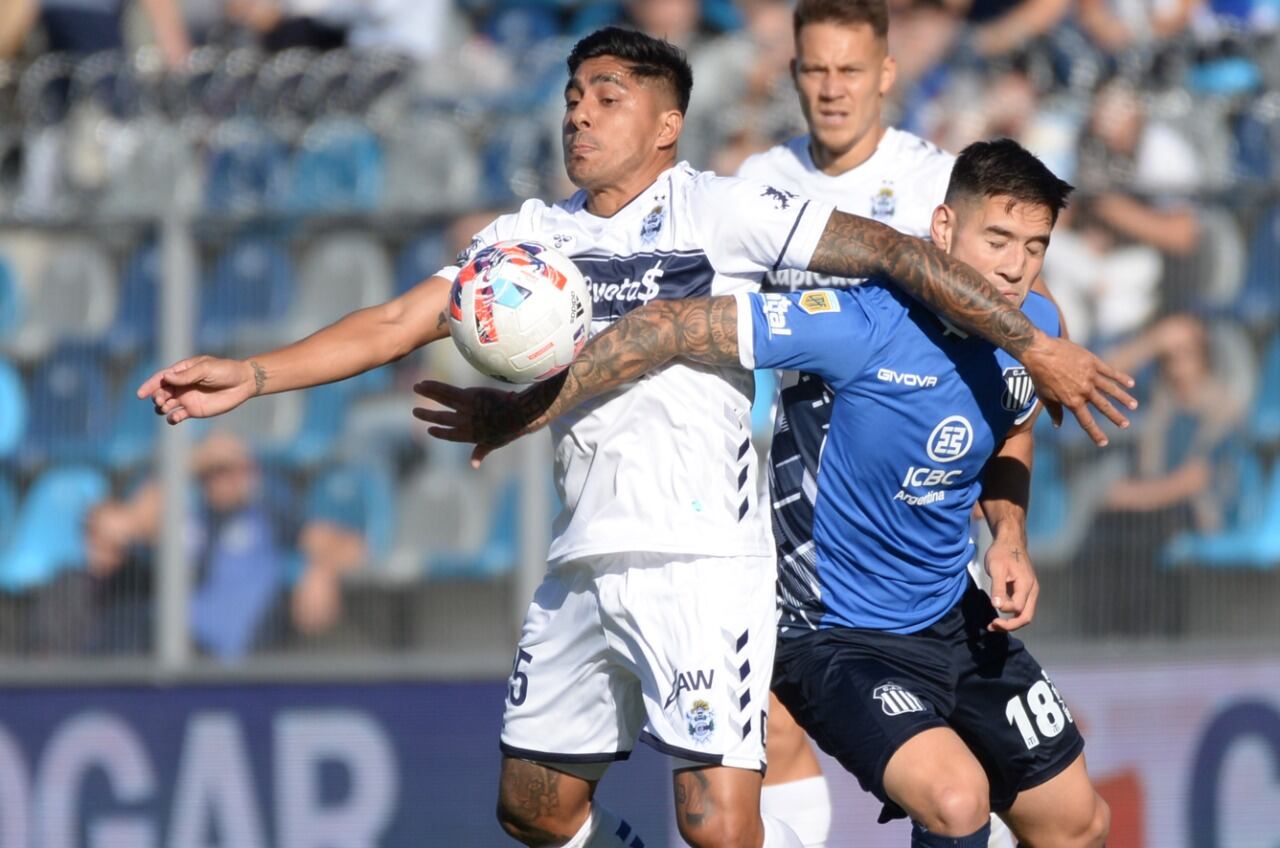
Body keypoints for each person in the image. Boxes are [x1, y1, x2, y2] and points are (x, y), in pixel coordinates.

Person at [142, 26, 1133, 847]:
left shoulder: (721, 210)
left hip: (705, 554)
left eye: (606, 96)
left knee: (715, 819)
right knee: (530, 807)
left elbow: (886, 251)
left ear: (666, 124)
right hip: (582, 555)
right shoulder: (527, 241)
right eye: (573, 93)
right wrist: (257, 372)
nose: (578, 110)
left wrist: (1026, 343)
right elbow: (399, 320)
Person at [417, 139, 1115, 847]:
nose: (1016, 265)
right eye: (997, 238)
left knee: (1079, 825)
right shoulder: (859, 323)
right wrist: (521, 412)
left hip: (953, 612)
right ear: (942, 231)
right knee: (956, 800)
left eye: (1035, 246)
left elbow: (1013, 431)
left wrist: (1011, 537)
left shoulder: (1040, 338)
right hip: (832, 631)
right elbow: (668, 326)